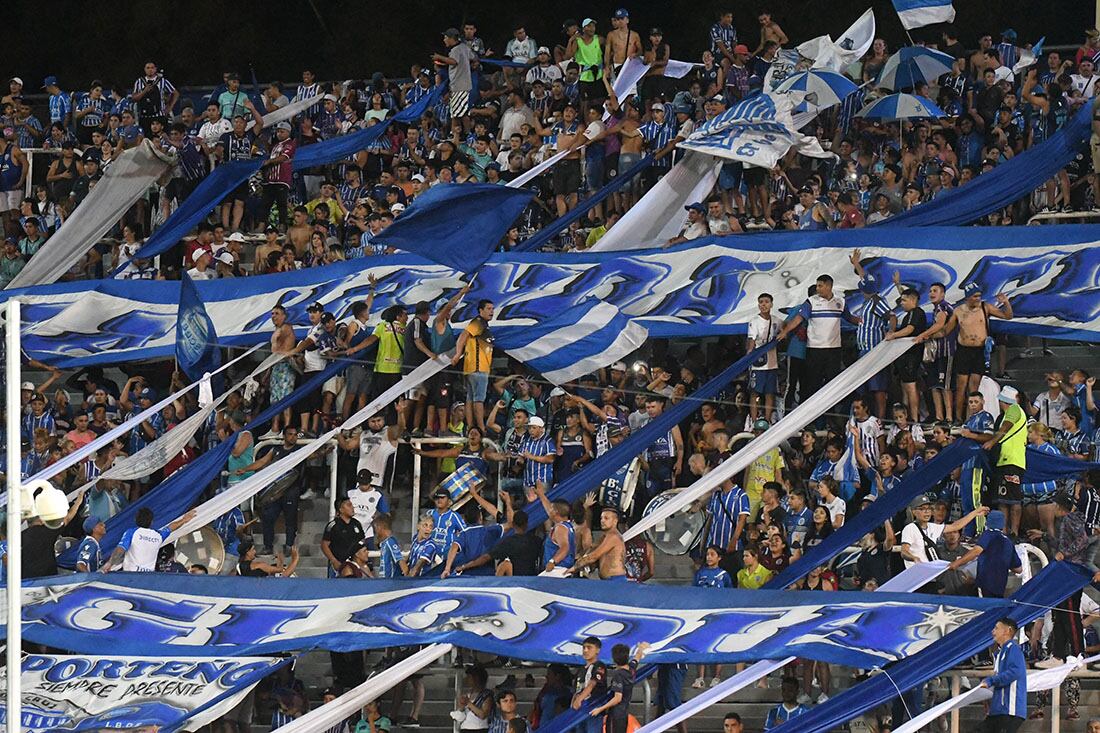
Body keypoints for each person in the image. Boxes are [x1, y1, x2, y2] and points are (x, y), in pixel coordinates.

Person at [915, 282, 1013, 421]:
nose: (978, 299)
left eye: (979, 296)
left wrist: (1006, 303)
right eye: (975, 296)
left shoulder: (985, 307)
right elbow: (945, 331)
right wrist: (927, 336)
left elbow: (1007, 316)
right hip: (963, 351)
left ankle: (971, 418)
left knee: (974, 388)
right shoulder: (958, 311)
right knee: (961, 387)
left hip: (979, 352)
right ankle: (959, 419)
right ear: (968, 297)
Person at [945, 510, 1021, 597]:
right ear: (1003, 524)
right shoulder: (1008, 542)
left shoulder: (988, 535)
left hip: (985, 583)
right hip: (1000, 585)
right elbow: (1018, 569)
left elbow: (976, 551)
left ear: (987, 522)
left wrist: (957, 563)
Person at [985, 385, 1028, 537]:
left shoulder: (1014, 410)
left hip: (1013, 461)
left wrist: (991, 442)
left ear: (1003, 401)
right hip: (1005, 460)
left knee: (1014, 498)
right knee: (1002, 498)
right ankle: (1003, 531)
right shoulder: (1008, 413)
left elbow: (1005, 427)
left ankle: (1014, 531)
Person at [104, 506, 196, 572]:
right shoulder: (158, 536)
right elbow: (171, 527)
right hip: (149, 578)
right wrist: (184, 520)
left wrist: (110, 563)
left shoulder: (131, 533)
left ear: (136, 520)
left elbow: (120, 550)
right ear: (151, 522)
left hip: (130, 576)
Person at [452, 299, 494, 433]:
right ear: (480, 310)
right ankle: (481, 427)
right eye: (488, 309)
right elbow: (463, 336)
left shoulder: (484, 325)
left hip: (473, 368)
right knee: (478, 400)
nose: (491, 311)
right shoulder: (478, 322)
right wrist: (458, 353)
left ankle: (470, 426)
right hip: (478, 367)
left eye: (492, 309)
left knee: (470, 399)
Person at [982, 617, 1027, 731]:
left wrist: (991, 680)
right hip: (999, 710)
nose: (993, 631)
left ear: (1007, 630)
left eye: (996, 628)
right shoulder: (1000, 652)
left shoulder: (1013, 649)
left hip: (1010, 710)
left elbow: (1014, 672)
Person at [592, 642, 649, 733]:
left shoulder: (618, 675)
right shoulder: (631, 669)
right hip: (624, 713)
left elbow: (617, 698)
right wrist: (641, 648)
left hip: (615, 715)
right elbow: (637, 658)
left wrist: (600, 709)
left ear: (614, 659)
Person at [569, 506, 627, 580]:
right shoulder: (604, 537)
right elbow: (591, 549)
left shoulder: (613, 536)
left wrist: (574, 567)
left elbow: (594, 556)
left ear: (615, 521)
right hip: (607, 580)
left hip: (615, 580)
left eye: (606, 518)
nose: (602, 521)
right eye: (601, 518)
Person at [322, 497, 367, 578]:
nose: (352, 507)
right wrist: (334, 561)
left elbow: (362, 540)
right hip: (337, 565)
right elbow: (324, 545)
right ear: (341, 509)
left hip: (354, 564)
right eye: (349, 505)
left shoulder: (356, 524)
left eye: (352, 505)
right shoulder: (333, 525)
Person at [571, 636, 607, 733]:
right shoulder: (581, 669)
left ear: (597, 650)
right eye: (584, 647)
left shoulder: (599, 666)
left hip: (593, 709)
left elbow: (592, 684)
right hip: (579, 710)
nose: (585, 650)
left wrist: (579, 699)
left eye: (589, 647)